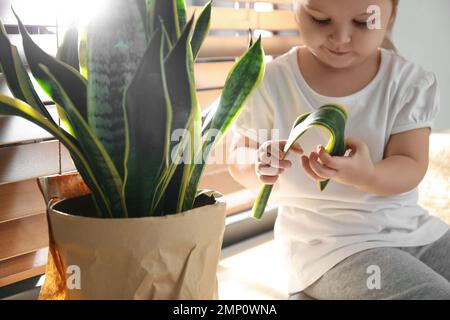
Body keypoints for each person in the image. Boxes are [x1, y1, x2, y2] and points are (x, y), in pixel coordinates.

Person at [227, 0, 450, 299]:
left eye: (361, 22)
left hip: (415, 229)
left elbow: (411, 163)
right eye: (320, 20)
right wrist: (256, 162)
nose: (341, 38)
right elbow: (238, 155)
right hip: (329, 247)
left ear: (392, 13)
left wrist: (368, 174)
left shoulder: (407, 82)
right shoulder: (271, 81)